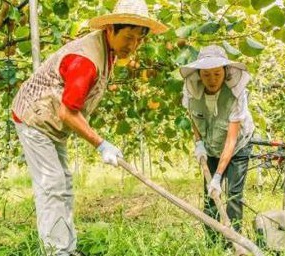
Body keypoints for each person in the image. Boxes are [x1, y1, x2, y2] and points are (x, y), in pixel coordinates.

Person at [10, 0, 168, 254]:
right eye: (128, 37)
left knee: (64, 183)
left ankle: (67, 248)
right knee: (52, 185)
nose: (133, 46)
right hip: (33, 119)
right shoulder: (86, 59)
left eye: (139, 39)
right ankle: (57, 251)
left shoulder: (109, 52)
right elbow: (67, 112)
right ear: (110, 30)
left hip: (52, 122)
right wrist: (101, 143)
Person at [180, 45, 255, 246]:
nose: (212, 79)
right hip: (210, 145)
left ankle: (234, 243)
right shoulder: (191, 91)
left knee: (233, 195)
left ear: (225, 71)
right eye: (206, 75)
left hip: (237, 146)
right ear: (199, 75)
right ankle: (212, 245)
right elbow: (194, 117)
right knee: (211, 197)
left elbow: (231, 139)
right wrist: (198, 143)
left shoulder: (236, 94)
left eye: (216, 73)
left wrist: (219, 176)